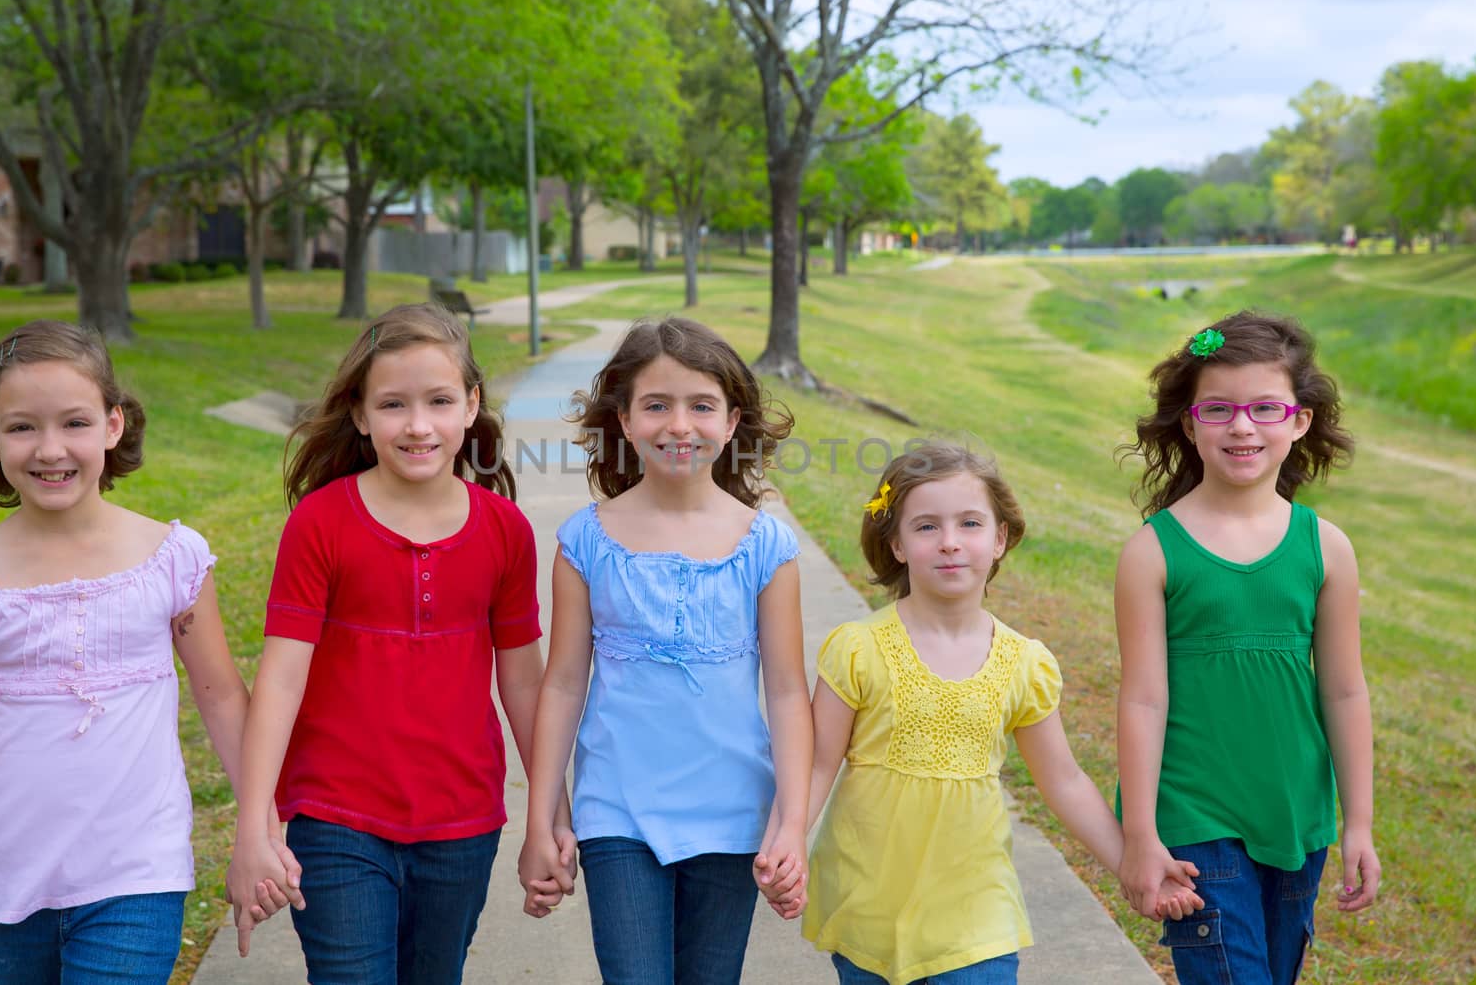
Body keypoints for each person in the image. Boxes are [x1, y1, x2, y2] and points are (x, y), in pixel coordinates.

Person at [0, 320, 293, 984]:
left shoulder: (172, 560)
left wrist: (262, 829)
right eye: (22, 427)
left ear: (112, 425)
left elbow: (222, 696)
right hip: (5, 892)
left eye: (74, 422)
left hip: (136, 875)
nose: (50, 448)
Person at [226, 304, 550, 984]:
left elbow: (523, 681)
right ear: (360, 413)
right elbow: (280, 680)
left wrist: (550, 816)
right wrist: (254, 824)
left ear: (471, 405)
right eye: (393, 404)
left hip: (462, 822)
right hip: (334, 817)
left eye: (438, 400)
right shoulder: (320, 523)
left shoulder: (505, 531)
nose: (418, 424)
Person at [803, 442, 1203, 985]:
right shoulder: (858, 648)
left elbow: (1063, 781)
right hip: (867, 905)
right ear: (895, 543)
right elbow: (818, 764)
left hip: (975, 914)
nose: (949, 543)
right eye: (925, 527)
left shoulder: (1023, 663)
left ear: (999, 539)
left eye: (969, 523)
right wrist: (787, 842)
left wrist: (1132, 861)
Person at [519, 316, 813, 984]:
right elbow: (562, 685)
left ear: (732, 419)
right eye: (656, 404)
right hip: (617, 811)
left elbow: (789, 692)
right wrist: (542, 818)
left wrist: (790, 822)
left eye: (701, 405)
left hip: (735, 812)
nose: (679, 424)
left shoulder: (765, 546)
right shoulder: (586, 542)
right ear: (624, 419)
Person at [1114, 312, 1379, 984]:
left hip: (1295, 818)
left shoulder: (1327, 548)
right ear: (1189, 422)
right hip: (1194, 814)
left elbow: (1344, 690)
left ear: (1300, 420)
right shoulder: (1153, 552)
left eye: (1265, 407)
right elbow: (1142, 698)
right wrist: (1140, 833)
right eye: (1219, 408)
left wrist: (1359, 823)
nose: (1242, 426)